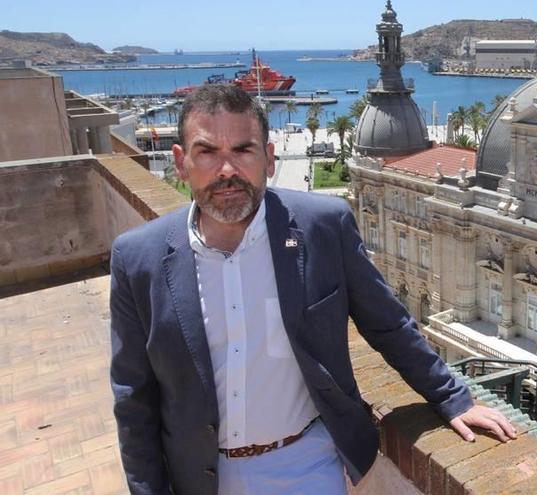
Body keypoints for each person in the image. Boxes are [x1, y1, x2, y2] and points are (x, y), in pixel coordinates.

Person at [109, 85, 516, 495]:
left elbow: (388, 324)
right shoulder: (136, 258)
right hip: (200, 478)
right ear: (181, 162)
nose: (227, 170)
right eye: (208, 152)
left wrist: (453, 398)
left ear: (268, 159)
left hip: (308, 464)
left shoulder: (323, 226)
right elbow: (134, 401)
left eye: (243, 150)